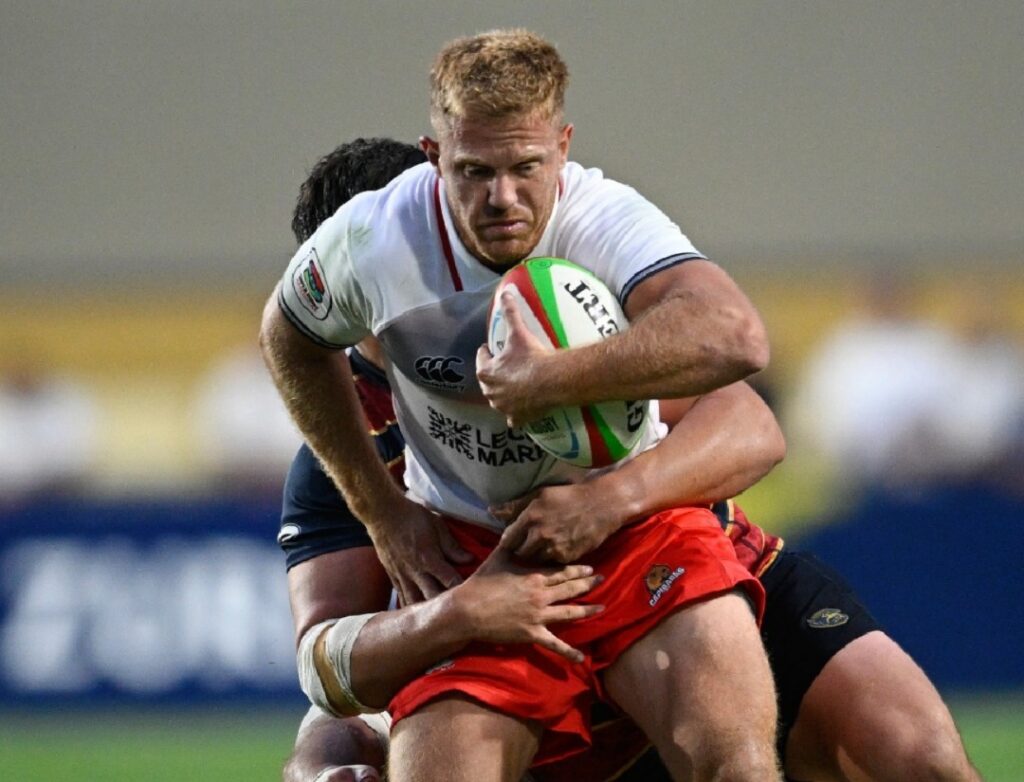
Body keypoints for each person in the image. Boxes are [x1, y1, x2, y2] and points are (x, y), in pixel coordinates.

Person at [278, 138, 979, 782]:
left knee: (922, 757)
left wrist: (609, 500)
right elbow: (327, 672)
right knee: (329, 760)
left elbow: (752, 424)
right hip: (515, 642)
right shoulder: (344, 449)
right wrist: (450, 612)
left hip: (689, 578)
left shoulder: (548, 337)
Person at [262, 28, 780, 781]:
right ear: (434, 156)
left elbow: (737, 337)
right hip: (476, 558)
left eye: (525, 168)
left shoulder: (604, 217)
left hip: (638, 528)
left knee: (739, 765)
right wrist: (383, 512)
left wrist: (550, 382)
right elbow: (285, 334)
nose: (501, 197)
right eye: (474, 171)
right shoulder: (375, 236)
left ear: (562, 148)